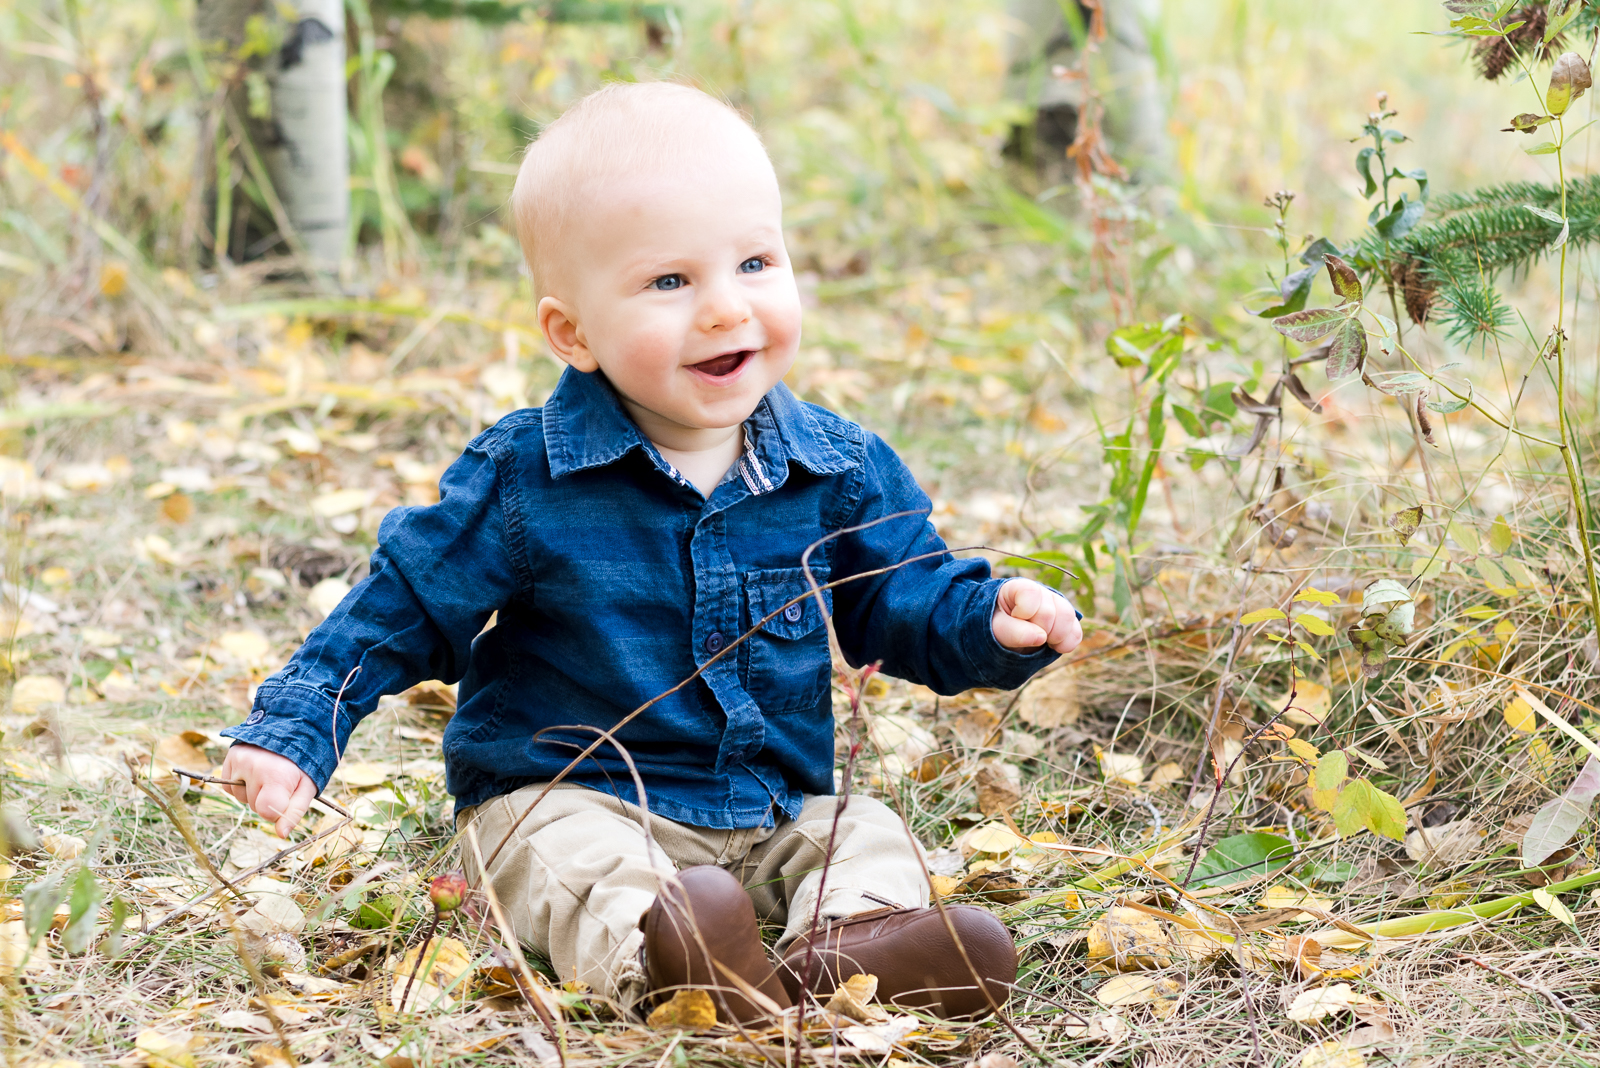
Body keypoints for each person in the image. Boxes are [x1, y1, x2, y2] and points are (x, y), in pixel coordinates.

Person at [217, 81, 1083, 1024]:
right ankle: (671, 970)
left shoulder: (836, 466)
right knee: (567, 860)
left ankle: (846, 951)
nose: (724, 310)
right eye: (671, 282)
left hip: (762, 810)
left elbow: (906, 598)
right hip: (564, 792)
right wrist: (296, 730)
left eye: (754, 262)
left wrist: (991, 620)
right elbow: (405, 607)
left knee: (861, 830)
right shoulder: (525, 475)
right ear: (572, 332)